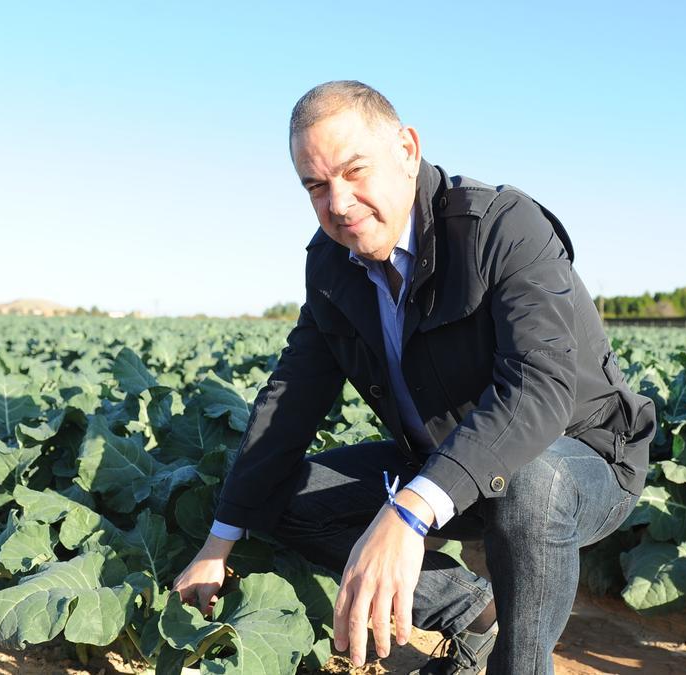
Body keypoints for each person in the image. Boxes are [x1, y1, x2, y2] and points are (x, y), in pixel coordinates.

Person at [172, 80, 655, 675]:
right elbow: (292, 394)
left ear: (407, 149)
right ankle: (476, 615)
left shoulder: (504, 227)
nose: (339, 203)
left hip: (582, 461)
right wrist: (219, 542)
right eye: (316, 186)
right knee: (282, 499)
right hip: (443, 461)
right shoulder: (330, 263)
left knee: (532, 482)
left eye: (355, 171)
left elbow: (541, 387)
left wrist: (409, 510)